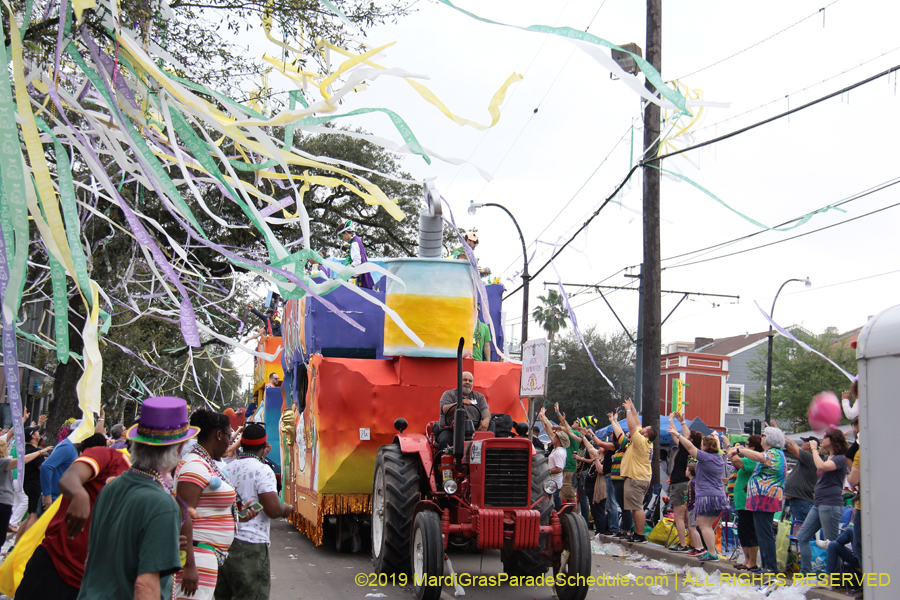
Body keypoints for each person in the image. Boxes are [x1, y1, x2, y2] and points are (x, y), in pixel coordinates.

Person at [77, 396, 199, 600]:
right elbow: (145, 586)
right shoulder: (162, 503)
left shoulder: (111, 487)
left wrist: (160, 543)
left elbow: (96, 556)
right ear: (179, 449)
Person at [16, 437, 129, 600]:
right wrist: (78, 493)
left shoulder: (155, 489)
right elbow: (70, 476)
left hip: (94, 583)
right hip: (54, 565)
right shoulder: (109, 457)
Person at [214, 424, 292, 600]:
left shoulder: (227, 469)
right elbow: (273, 510)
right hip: (251, 546)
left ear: (241, 444)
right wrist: (285, 509)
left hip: (224, 543)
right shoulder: (262, 470)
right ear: (264, 446)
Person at [174, 410, 240, 600]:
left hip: (204, 555)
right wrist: (189, 565)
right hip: (197, 556)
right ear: (219, 435)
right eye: (229, 436)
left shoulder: (204, 462)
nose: (230, 442)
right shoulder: (195, 465)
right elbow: (184, 514)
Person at [668, 424, 727, 562]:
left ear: (705, 446)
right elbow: (716, 446)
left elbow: (689, 447)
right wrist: (716, 437)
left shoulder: (705, 457)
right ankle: (712, 551)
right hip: (719, 495)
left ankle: (711, 553)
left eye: (702, 445)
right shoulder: (720, 457)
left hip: (707, 496)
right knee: (708, 525)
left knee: (703, 524)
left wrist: (678, 435)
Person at [797, 429, 850, 575]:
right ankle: (806, 573)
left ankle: (834, 577)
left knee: (832, 543)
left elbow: (822, 467)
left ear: (833, 440)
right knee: (802, 536)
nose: (822, 439)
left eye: (825, 437)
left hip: (830, 503)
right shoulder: (828, 457)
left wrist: (814, 449)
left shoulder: (840, 459)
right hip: (819, 503)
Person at [737, 426, 787, 574]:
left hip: (766, 498)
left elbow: (759, 457)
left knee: (765, 533)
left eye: (764, 435)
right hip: (760, 499)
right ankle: (765, 565)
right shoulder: (771, 453)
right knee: (761, 533)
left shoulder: (774, 453)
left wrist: (739, 450)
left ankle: (770, 566)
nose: (762, 438)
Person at [618, 398, 656, 543]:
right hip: (641, 477)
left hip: (636, 478)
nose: (642, 428)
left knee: (637, 507)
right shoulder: (647, 442)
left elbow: (632, 427)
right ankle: (637, 533)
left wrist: (628, 410)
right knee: (635, 507)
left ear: (645, 435)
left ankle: (640, 535)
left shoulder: (641, 441)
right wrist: (633, 408)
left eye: (644, 429)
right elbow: (637, 423)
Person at [0, 438, 51, 542]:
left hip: (5, 501)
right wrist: (40, 452)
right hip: (3, 501)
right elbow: (24, 460)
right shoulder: (2, 462)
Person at [727, 435, 764, 571]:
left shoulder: (753, 460)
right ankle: (746, 559)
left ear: (753, 448)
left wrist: (732, 449)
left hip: (747, 501)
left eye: (747, 445)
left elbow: (736, 462)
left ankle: (752, 561)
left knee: (749, 531)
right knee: (742, 532)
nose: (745, 447)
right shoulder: (749, 459)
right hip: (741, 501)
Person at [436, 371, 492, 450]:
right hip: (451, 430)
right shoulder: (449, 394)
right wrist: (460, 403)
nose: (467, 382)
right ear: (459, 381)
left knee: (491, 429)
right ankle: (445, 457)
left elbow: (485, 411)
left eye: (470, 381)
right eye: (465, 380)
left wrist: (486, 420)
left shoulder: (479, 397)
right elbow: (445, 409)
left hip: (473, 430)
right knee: (445, 440)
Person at [18, 425, 52, 542]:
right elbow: (42, 468)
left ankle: (17, 544)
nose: (40, 434)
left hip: (27, 483)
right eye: (37, 432)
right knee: (34, 515)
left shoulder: (26, 449)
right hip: (35, 485)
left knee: (29, 516)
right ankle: (26, 544)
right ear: (33, 436)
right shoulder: (35, 451)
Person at [666, 412, 693, 553]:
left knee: (679, 517)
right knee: (688, 517)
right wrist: (682, 422)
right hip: (688, 484)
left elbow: (675, 435)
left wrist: (671, 420)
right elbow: (681, 436)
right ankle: (694, 544)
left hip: (679, 483)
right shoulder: (694, 451)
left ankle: (683, 544)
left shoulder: (685, 449)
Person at [782, 435, 818, 526]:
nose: (802, 444)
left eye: (804, 442)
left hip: (801, 502)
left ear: (809, 446)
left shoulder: (809, 456)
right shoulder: (807, 458)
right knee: (798, 528)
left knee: (800, 529)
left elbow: (792, 448)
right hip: (799, 501)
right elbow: (794, 445)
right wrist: (782, 434)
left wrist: (779, 435)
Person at [542, 410, 569, 510]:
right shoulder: (556, 449)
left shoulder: (559, 452)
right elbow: (548, 430)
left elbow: (559, 469)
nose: (553, 437)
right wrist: (543, 418)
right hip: (554, 484)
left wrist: (546, 471)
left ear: (558, 440)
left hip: (555, 485)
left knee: (555, 507)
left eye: (555, 436)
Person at [336, 220, 374, 290]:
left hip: (358, 279)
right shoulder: (356, 240)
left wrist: (347, 269)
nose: (341, 239)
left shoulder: (354, 243)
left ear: (346, 232)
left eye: (340, 236)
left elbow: (357, 261)